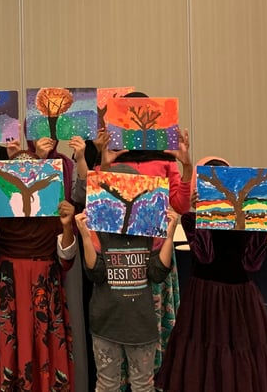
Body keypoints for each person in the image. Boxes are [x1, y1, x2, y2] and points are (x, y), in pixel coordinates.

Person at [155, 157, 267, 392]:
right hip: (205, 296)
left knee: (241, 351)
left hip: (240, 297)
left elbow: (252, 263)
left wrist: (264, 222)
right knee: (203, 352)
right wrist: (201, 215)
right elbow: (205, 256)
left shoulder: (245, 219)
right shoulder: (192, 219)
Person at [101, 96, 193, 374]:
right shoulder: (114, 159)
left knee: (152, 325)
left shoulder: (165, 160)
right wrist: (105, 164)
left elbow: (180, 205)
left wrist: (186, 166)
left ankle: (153, 377)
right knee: (121, 323)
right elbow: (102, 206)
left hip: (155, 253)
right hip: (121, 256)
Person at [0, 136, 77, 392]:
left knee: (41, 346)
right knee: (12, 347)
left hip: (43, 282)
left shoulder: (53, 208)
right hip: (9, 284)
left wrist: (67, 227)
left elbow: (66, 259)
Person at [75, 163, 179, 392]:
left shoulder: (148, 230)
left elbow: (157, 273)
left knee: (143, 385)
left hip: (141, 325)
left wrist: (169, 235)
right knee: (107, 384)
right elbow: (96, 273)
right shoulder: (101, 229)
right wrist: (85, 236)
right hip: (106, 322)